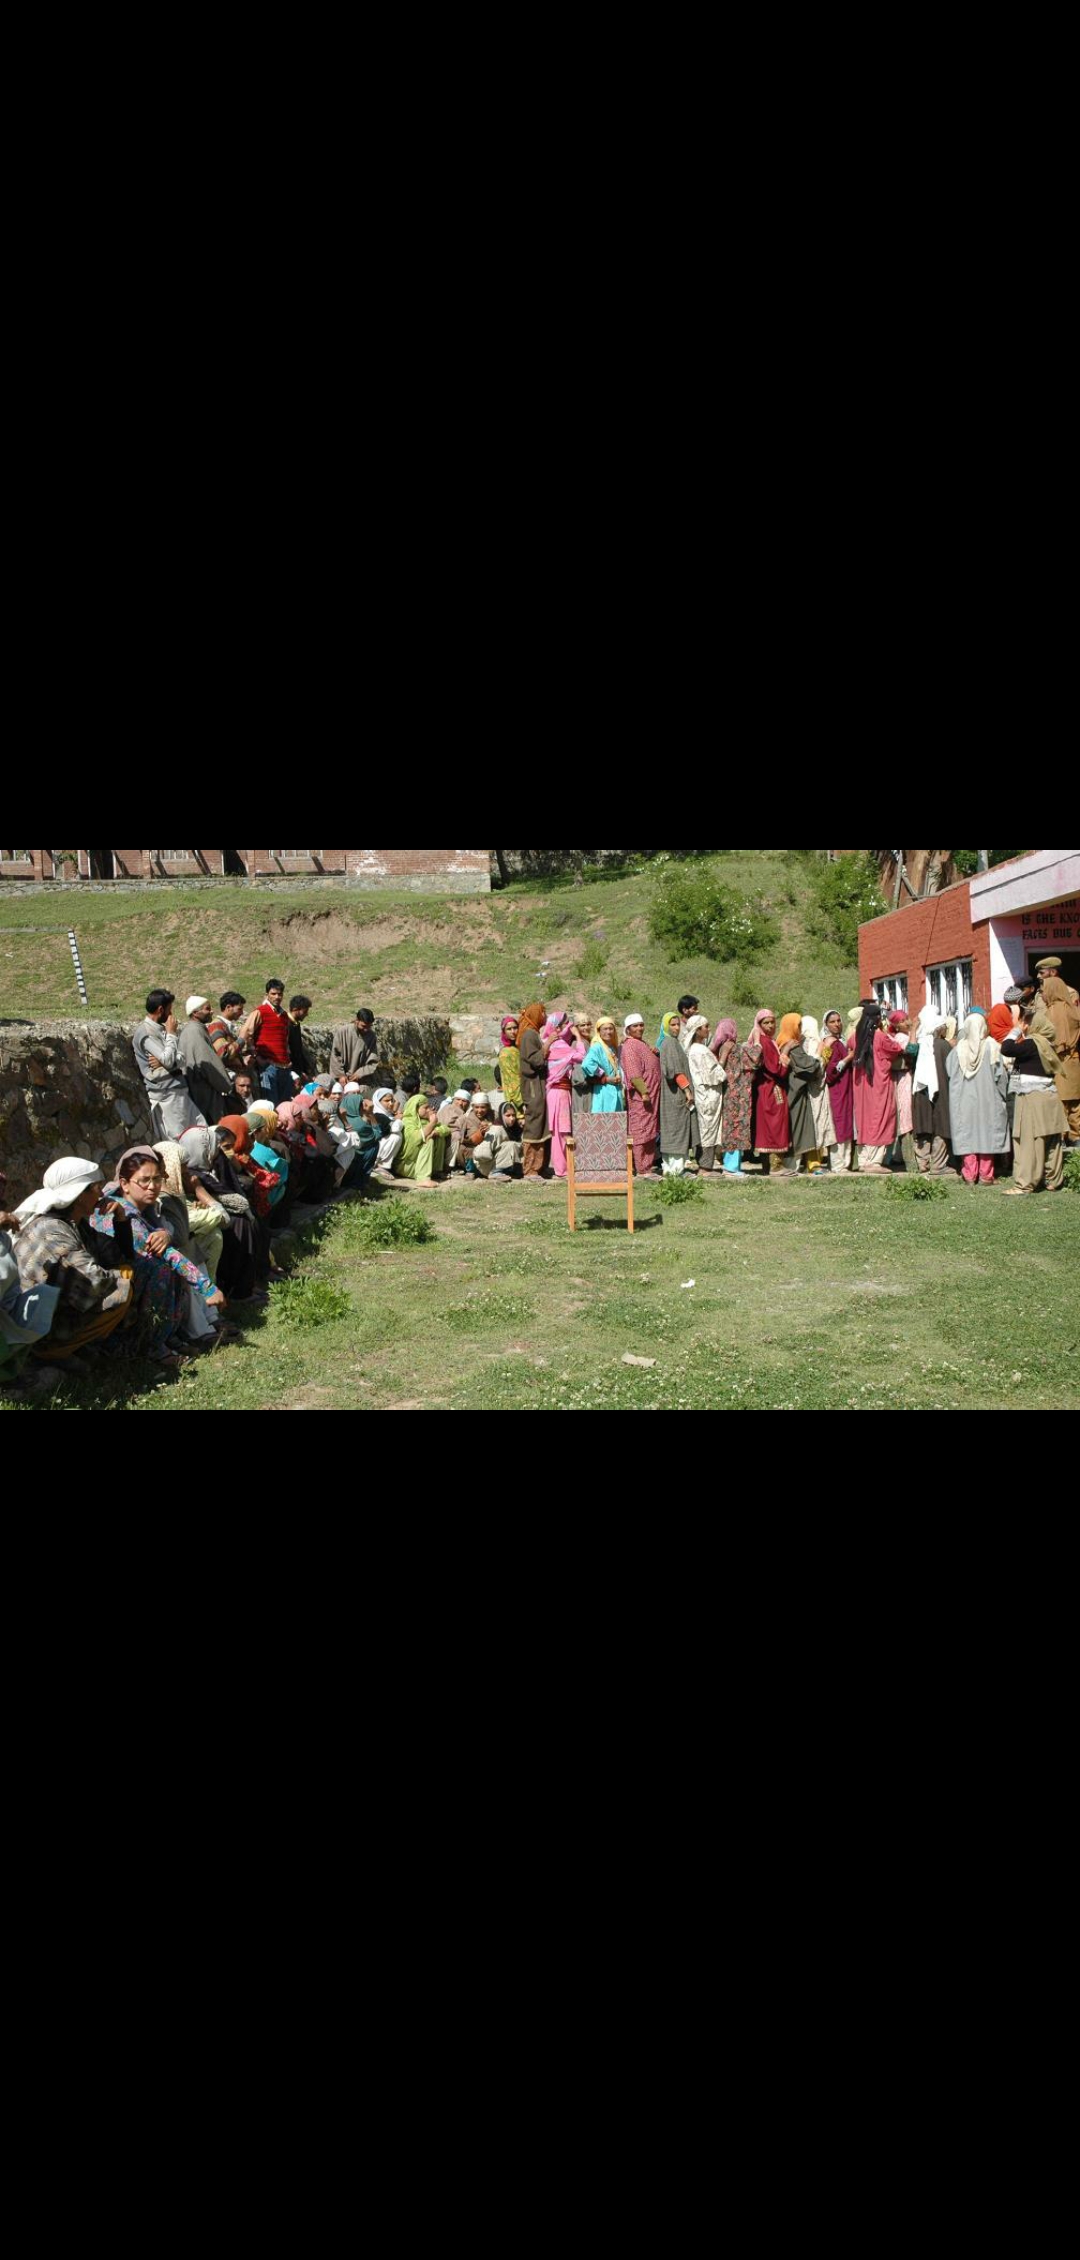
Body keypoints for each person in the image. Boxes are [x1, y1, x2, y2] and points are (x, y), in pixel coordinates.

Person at [90, 1149, 225, 1358]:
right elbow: (166, 1253)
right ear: (125, 1184)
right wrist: (207, 1288)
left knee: (166, 1268)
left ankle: (165, 1337)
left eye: (157, 1179)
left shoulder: (143, 1208)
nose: (152, 1186)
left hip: (129, 1280)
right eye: (144, 1181)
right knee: (163, 1270)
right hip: (108, 1289)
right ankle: (151, 1345)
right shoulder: (120, 1212)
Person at [6, 1161, 129, 1377]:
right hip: (34, 1325)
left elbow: (118, 1255)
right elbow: (95, 1282)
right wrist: (124, 1277)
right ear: (80, 1195)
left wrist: (120, 1218)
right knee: (122, 1291)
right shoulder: (52, 1231)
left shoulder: (73, 1223)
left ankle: (71, 1351)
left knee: (124, 1275)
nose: (101, 1194)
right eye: (96, 1188)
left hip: (52, 1309)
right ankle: (50, 1353)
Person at [1002, 1007, 1070, 1194]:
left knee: (1030, 1141)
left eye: (1029, 1022)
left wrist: (1016, 1029)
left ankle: (1025, 1183)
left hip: (1033, 1097)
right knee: (1050, 1140)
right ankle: (1053, 1181)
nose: (1027, 1025)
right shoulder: (1047, 1044)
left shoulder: (1033, 1043)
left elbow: (1006, 1048)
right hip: (1049, 1096)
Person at [946, 1011, 1010, 1185]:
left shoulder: (957, 1050)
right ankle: (986, 1175)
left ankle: (969, 1174)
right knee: (987, 1133)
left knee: (967, 1135)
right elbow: (1001, 1077)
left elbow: (949, 1072)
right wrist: (1003, 1096)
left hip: (963, 1101)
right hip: (989, 1100)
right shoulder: (993, 1048)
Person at [133, 990, 205, 1141]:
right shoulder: (147, 1032)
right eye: (169, 1009)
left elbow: (179, 1059)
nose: (171, 1013)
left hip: (177, 1090)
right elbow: (168, 1059)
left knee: (199, 1129)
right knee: (181, 1137)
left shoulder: (162, 1029)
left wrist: (168, 1060)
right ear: (161, 1010)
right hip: (167, 1094)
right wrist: (171, 1034)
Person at [154, 1141, 227, 1275]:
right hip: (174, 1255)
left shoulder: (180, 1193)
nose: (186, 1170)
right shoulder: (161, 1198)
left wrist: (198, 1203)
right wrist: (201, 1192)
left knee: (215, 1236)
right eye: (182, 1166)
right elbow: (222, 1216)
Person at [852, 1002, 904, 1175]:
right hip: (878, 1083)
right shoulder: (880, 1036)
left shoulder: (855, 1036)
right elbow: (896, 1048)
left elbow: (850, 1046)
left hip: (861, 1085)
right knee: (880, 1118)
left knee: (864, 1119)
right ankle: (874, 1162)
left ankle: (864, 1160)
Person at [1037, 962, 1080, 1143]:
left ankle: (1060, 1137)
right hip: (1073, 1059)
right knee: (1075, 1101)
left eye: (1042, 973)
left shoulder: (1053, 1011)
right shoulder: (1072, 1011)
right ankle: (1076, 1136)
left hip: (1057, 1060)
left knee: (1060, 1101)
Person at [781, 1014, 829, 1174]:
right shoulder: (793, 1046)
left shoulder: (782, 1041)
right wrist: (820, 1058)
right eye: (798, 1026)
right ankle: (791, 1166)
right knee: (796, 1128)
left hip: (790, 1091)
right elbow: (808, 1066)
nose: (801, 1030)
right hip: (795, 1092)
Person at [178, 997, 236, 1126]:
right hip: (203, 1094)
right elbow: (209, 1064)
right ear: (195, 1013)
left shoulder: (195, 1029)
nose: (211, 1011)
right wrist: (226, 1084)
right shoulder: (194, 1031)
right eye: (207, 1009)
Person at [711, 1020, 758, 1175]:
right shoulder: (733, 1047)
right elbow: (755, 1059)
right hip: (737, 1095)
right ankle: (731, 1167)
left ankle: (732, 1165)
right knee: (735, 1128)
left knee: (731, 1127)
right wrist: (757, 1041)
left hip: (728, 1093)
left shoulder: (720, 1048)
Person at [912, 1005, 954, 1175]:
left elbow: (909, 1052)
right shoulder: (943, 1046)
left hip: (920, 1091)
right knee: (940, 1124)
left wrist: (913, 1031)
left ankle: (923, 1163)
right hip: (941, 1091)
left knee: (923, 1122)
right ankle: (938, 1164)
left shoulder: (919, 1045)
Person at [749, 1009, 790, 1173]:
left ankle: (767, 1165)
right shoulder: (765, 1043)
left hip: (765, 1090)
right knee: (774, 1126)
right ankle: (776, 1166)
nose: (770, 1025)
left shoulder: (767, 1041)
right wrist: (785, 1054)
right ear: (759, 1025)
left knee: (767, 1127)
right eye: (766, 1022)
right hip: (772, 1090)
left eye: (772, 1021)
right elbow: (776, 1069)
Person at [621, 1015, 662, 1178]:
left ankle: (648, 1164)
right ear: (628, 1029)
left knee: (650, 1130)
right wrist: (644, 1092)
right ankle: (641, 1167)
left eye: (641, 1025)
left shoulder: (641, 1043)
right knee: (640, 1130)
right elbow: (634, 1073)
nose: (639, 1028)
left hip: (651, 1095)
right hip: (642, 1097)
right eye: (635, 1026)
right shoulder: (630, 1046)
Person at [683, 1016, 726, 1171]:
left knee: (707, 1129)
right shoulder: (700, 1051)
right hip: (707, 1095)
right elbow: (715, 1074)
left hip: (705, 1095)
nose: (708, 1029)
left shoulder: (695, 1049)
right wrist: (723, 1062)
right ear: (697, 1030)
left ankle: (706, 1165)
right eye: (705, 1027)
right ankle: (705, 1167)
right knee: (708, 1130)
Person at [547, 1015, 587, 1178]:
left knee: (560, 1131)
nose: (569, 1028)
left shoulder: (551, 1044)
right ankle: (562, 1169)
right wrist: (578, 1037)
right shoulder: (559, 1045)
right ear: (557, 1028)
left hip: (558, 1092)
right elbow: (581, 1057)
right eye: (565, 1025)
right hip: (560, 1093)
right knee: (561, 1131)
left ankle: (563, 1167)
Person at [518, 1004, 554, 1180]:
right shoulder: (529, 1035)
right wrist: (548, 1044)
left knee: (542, 1125)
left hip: (538, 1088)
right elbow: (536, 1060)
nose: (545, 1015)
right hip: (533, 1089)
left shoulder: (532, 1034)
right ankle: (530, 1169)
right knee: (534, 1126)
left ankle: (540, 1167)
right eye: (543, 1012)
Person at [246, 980, 294, 1105]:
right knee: (270, 1105)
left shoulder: (284, 1015)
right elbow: (247, 1033)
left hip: (284, 1067)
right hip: (269, 1067)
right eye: (273, 994)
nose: (277, 997)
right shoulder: (260, 1012)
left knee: (285, 1105)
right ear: (267, 994)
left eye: (280, 994)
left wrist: (288, 1059)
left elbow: (285, 1039)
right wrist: (257, 1057)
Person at [659, 1013, 698, 1166]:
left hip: (676, 1093)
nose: (676, 1028)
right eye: (672, 1025)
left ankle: (674, 1168)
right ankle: (675, 1169)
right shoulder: (669, 1043)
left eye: (677, 1024)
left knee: (676, 1129)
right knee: (676, 1128)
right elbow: (675, 1070)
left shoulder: (672, 1042)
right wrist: (687, 1091)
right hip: (676, 1094)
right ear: (665, 1026)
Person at [800, 1017, 838, 1170]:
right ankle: (813, 1162)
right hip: (814, 1090)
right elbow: (817, 1067)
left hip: (803, 1089)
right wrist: (825, 1050)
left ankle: (809, 1160)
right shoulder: (814, 1043)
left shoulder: (799, 1042)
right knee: (816, 1123)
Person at [822, 1010, 855, 1173]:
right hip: (837, 1090)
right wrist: (848, 1058)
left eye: (838, 1021)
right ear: (826, 1025)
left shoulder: (838, 1041)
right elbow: (830, 1071)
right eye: (832, 1022)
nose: (837, 1024)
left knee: (845, 1123)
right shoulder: (830, 1044)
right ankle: (838, 1164)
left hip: (845, 1089)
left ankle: (845, 1163)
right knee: (839, 1124)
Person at [394, 1095, 451, 1184]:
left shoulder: (425, 1120)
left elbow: (446, 1129)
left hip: (419, 1164)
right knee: (428, 1140)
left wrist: (436, 1131)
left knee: (438, 1137)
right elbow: (416, 1138)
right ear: (416, 1108)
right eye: (425, 1107)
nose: (429, 1110)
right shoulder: (407, 1121)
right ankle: (423, 1179)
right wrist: (432, 1124)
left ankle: (436, 1172)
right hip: (406, 1165)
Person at [887, 1010, 917, 1173]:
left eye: (907, 1019)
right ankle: (908, 1158)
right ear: (897, 1026)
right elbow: (912, 1050)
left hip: (903, 1079)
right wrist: (913, 1031)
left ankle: (898, 1155)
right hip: (904, 1079)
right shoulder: (901, 1038)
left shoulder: (898, 1036)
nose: (907, 1022)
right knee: (905, 1115)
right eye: (903, 1021)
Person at [581, 1019, 626, 1116]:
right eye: (605, 1029)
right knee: (604, 1122)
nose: (608, 1032)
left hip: (615, 1089)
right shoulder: (597, 1047)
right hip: (603, 1090)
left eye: (611, 1029)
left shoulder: (612, 1047)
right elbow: (586, 1064)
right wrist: (603, 1076)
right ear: (599, 1031)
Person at [329, 1009, 380, 1090]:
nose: (366, 1029)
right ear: (356, 1020)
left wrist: (359, 1074)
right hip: (341, 1080)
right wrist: (340, 1075)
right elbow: (335, 1055)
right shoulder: (343, 1032)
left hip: (361, 1081)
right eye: (363, 1026)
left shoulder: (371, 1036)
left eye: (369, 1026)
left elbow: (373, 1062)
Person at [207, 993, 249, 1072]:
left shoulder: (225, 1025)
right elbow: (224, 1054)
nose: (242, 1013)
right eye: (239, 1009)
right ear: (228, 1007)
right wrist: (242, 1039)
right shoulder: (216, 1026)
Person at [498, 1018, 524, 1113]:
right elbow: (512, 1080)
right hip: (517, 1100)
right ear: (504, 1032)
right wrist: (521, 1102)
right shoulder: (506, 1053)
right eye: (509, 1029)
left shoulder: (519, 1047)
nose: (513, 1032)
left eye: (515, 1028)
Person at [287, 997, 316, 1085]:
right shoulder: (286, 1024)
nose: (306, 1014)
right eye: (305, 1011)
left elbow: (298, 1050)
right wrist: (296, 1071)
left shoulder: (295, 1024)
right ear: (296, 1009)